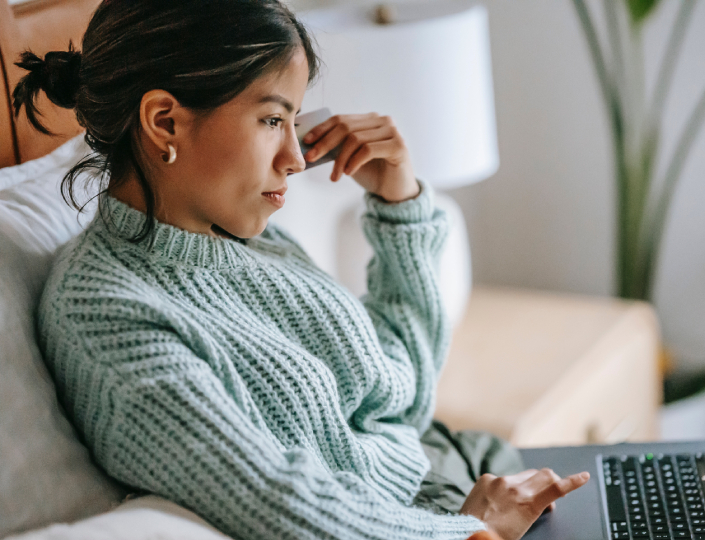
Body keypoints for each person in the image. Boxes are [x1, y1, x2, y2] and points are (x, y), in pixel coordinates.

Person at [13, 1, 589, 540]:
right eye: (271, 121)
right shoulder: (105, 315)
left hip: (452, 471)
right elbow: (275, 500)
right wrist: (470, 530)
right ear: (164, 121)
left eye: (294, 121)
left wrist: (400, 206)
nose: (294, 158)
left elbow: (400, 398)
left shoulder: (240, 237)